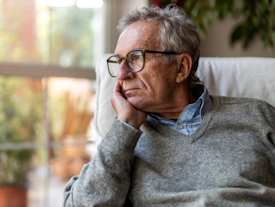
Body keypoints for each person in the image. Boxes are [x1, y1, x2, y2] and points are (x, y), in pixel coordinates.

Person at [63, 5, 275, 207]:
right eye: (118, 61)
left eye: (135, 58)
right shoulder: (121, 143)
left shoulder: (259, 115)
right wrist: (125, 125)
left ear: (181, 67)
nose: (121, 74)